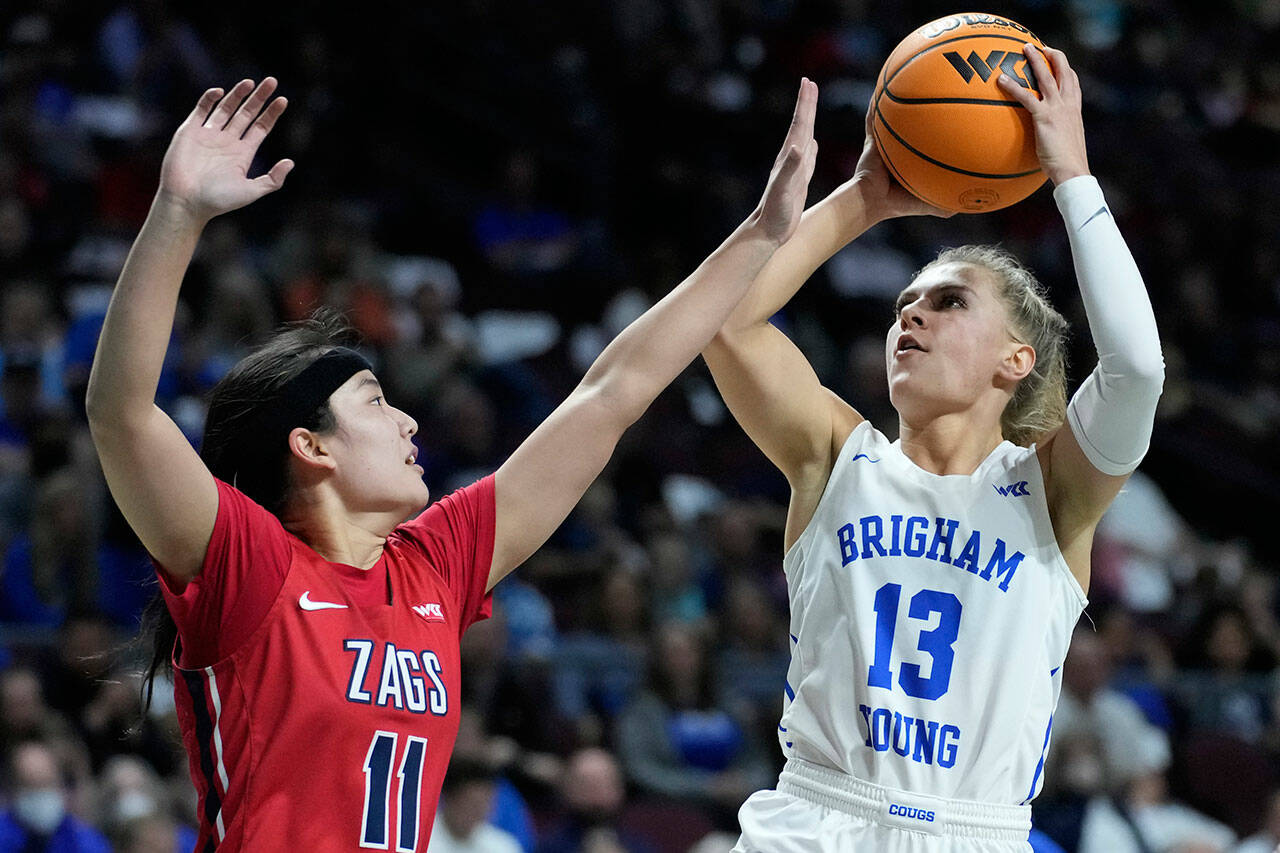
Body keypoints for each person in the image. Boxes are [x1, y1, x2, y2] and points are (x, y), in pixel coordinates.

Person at [83, 76, 819, 850]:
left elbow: (611, 393)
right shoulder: (254, 566)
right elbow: (121, 412)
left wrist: (761, 235)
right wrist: (177, 213)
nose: (407, 421)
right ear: (310, 445)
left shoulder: (435, 563)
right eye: (373, 401)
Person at [702, 45, 1164, 851]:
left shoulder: (1051, 492)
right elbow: (724, 322)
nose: (909, 318)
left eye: (947, 302)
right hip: (814, 817)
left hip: (974, 831)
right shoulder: (838, 457)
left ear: (1015, 359)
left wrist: (1073, 178)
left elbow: (1138, 367)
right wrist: (860, 200)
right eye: (903, 306)